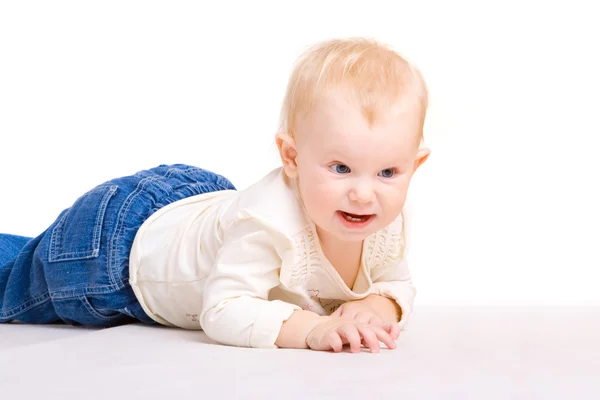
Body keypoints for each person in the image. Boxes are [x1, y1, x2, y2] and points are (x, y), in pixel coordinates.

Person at [0, 37, 430, 353]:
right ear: (292, 157)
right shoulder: (268, 222)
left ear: (415, 164)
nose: (363, 193)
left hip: (200, 209)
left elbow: (397, 282)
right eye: (340, 168)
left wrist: (378, 305)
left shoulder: (389, 218)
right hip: (116, 255)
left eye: (388, 172)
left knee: (24, 253)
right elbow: (224, 310)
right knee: (11, 281)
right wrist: (310, 329)